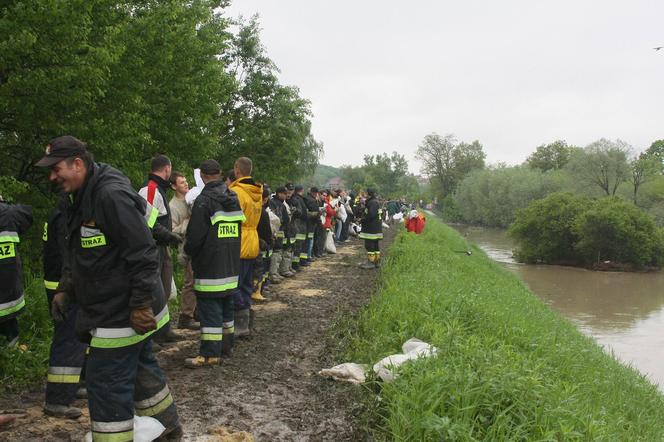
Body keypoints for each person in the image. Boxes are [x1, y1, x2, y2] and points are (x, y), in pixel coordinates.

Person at [37, 135, 181, 441]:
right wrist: (66, 288)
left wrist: (141, 305)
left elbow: (143, 253)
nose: (52, 176)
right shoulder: (76, 197)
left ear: (78, 164)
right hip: (110, 304)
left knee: (105, 383)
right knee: (144, 373)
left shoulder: (109, 196)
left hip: (123, 309)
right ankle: (169, 431)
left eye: (56, 168)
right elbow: (77, 250)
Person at [184, 160, 243, 367]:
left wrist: (187, 252)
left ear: (201, 176)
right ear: (219, 174)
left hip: (210, 266)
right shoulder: (232, 197)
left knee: (210, 311)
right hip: (231, 264)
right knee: (227, 308)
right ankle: (226, 348)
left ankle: (209, 355)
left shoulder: (204, 200)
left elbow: (194, 237)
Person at [42, 194, 87, 419]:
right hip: (63, 287)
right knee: (68, 339)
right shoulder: (63, 216)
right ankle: (57, 399)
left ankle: (74, 385)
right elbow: (67, 254)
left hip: (66, 284)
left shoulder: (63, 212)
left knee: (78, 337)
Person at [138, 155, 183, 344]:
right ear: (167, 169)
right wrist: (169, 235)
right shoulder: (150, 190)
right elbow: (147, 222)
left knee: (163, 289)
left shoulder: (159, 190)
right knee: (152, 291)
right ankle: (152, 336)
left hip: (162, 247)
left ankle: (164, 329)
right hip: (151, 248)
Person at [229, 157, 263, 337]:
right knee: (246, 285)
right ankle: (246, 322)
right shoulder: (257, 192)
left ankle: (240, 323)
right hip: (253, 241)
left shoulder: (236, 192)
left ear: (237, 170)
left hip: (239, 242)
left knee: (233, 284)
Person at [0, 194, 32, 347]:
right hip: (9, 293)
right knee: (10, 327)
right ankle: (12, 354)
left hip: (8, 293)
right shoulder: (10, 214)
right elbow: (27, 215)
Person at [169, 171, 199, 330]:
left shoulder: (192, 200)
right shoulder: (173, 206)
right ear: (174, 186)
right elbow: (172, 231)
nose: (186, 184)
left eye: (186, 181)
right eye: (181, 182)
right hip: (185, 248)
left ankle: (196, 312)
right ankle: (185, 317)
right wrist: (188, 222)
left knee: (198, 280)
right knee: (190, 282)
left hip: (197, 246)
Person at [268, 187, 290, 282]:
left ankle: (275, 272)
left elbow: (286, 219)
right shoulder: (272, 203)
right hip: (274, 231)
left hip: (281, 230)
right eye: (284, 194)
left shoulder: (282, 204)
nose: (286, 196)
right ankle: (272, 274)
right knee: (275, 252)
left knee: (279, 251)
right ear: (279, 193)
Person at [359, 188, 383, 269]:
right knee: (375, 245)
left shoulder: (372, 202)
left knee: (369, 245)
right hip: (376, 227)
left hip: (371, 228)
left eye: (365, 193)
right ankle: (377, 261)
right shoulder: (376, 202)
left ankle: (371, 262)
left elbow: (371, 215)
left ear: (368, 194)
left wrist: (362, 220)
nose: (364, 194)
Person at [290, 185, 309, 267]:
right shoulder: (297, 199)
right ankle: (296, 264)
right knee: (298, 246)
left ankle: (300, 262)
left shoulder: (298, 199)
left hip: (301, 225)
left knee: (301, 245)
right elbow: (302, 213)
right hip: (299, 225)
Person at [304, 187, 321, 261]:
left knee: (310, 239)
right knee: (310, 240)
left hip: (310, 222)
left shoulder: (308, 199)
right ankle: (309, 256)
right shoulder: (312, 200)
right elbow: (315, 211)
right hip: (311, 223)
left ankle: (310, 255)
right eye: (315, 193)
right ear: (313, 193)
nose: (316, 194)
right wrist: (319, 220)